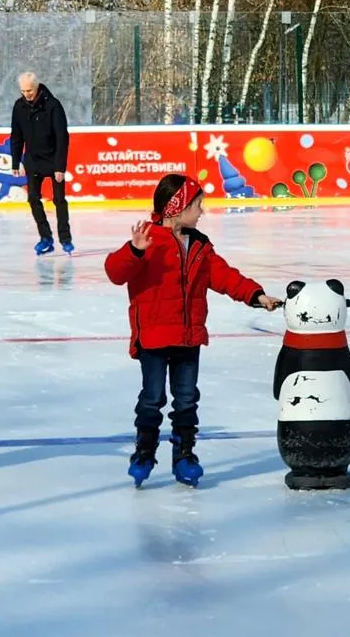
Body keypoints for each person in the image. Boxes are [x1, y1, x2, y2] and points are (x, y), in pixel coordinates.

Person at [105, 173, 281, 488]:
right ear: (177, 206)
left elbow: (224, 275)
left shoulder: (199, 245)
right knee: (153, 398)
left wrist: (255, 294)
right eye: (197, 205)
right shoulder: (148, 239)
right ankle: (144, 453)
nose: (202, 212)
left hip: (188, 336)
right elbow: (116, 272)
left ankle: (184, 455)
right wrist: (134, 251)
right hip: (155, 338)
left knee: (186, 400)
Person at [9, 71, 72, 255]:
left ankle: (65, 238)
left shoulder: (53, 106)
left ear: (37, 87)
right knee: (33, 198)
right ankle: (45, 237)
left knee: (59, 200)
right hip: (33, 160)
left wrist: (60, 167)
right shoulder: (19, 107)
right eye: (23, 91)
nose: (26, 94)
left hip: (53, 160)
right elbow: (16, 136)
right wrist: (15, 162)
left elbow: (62, 138)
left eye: (29, 90)